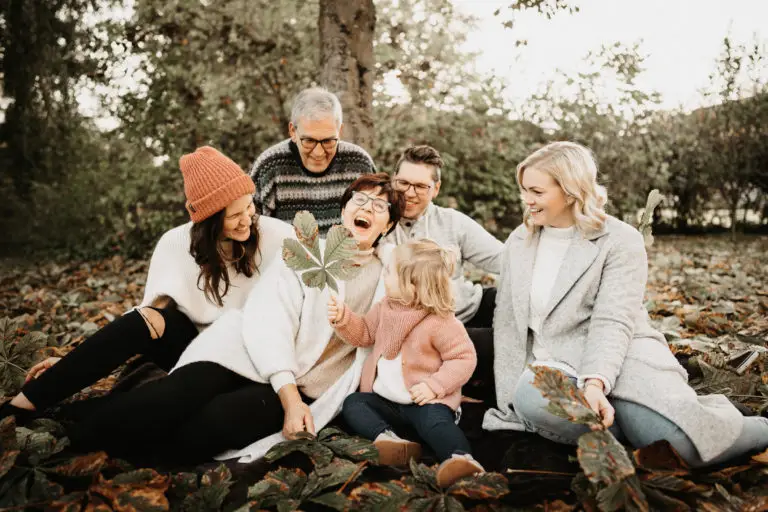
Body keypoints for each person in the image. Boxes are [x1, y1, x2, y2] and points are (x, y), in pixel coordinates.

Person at [59, 173, 403, 465]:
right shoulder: (307, 252)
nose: (366, 209)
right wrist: (290, 399)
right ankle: (67, 430)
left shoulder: (393, 277)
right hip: (244, 349)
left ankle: (102, 446)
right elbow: (270, 320)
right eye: (359, 200)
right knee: (173, 396)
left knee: (209, 427)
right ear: (343, 209)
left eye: (379, 206)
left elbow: (435, 303)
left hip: (305, 387)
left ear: (388, 224)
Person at [484, 141, 768, 467]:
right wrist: (508, 397)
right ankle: (636, 431)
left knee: (683, 449)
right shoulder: (519, 241)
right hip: (555, 365)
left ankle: (755, 427)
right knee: (529, 398)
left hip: (624, 358)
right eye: (524, 190)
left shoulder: (619, 240)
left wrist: (595, 383)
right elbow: (507, 323)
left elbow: (613, 321)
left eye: (536, 191)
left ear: (571, 190)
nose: (526, 200)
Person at [0, 146, 293, 423]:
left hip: (251, 353)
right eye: (234, 215)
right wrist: (71, 362)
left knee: (177, 399)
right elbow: (149, 316)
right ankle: (23, 405)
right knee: (147, 319)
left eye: (249, 207)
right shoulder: (175, 243)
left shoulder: (276, 235)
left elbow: (317, 269)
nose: (247, 220)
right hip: (193, 344)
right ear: (210, 220)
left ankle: (67, 417)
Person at [329, 239, 483, 488]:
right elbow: (365, 334)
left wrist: (435, 386)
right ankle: (389, 440)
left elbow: (464, 358)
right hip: (386, 402)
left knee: (437, 424)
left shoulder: (440, 321)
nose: (384, 274)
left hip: (424, 402)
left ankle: (459, 458)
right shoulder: (385, 308)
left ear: (412, 286)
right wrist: (344, 319)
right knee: (354, 404)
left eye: (389, 271)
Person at [384, 145, 503, 329]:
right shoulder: (377, 220)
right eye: (403, 183)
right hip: (417, 329)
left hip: (467, 312)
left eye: (421, 186)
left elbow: (504, 259)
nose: (409, 193)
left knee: (512, 305)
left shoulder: (453, 221)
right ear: (393, 180)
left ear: (436, 189)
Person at [250, 87, 375, 234]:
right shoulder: (269, 166)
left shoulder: (360, 164)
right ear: (292, 131)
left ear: (340, 131)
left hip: (347, 255)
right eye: (309, 141)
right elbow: (251, 228)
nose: (318, 152)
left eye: (328, 141)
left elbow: (377, 220)